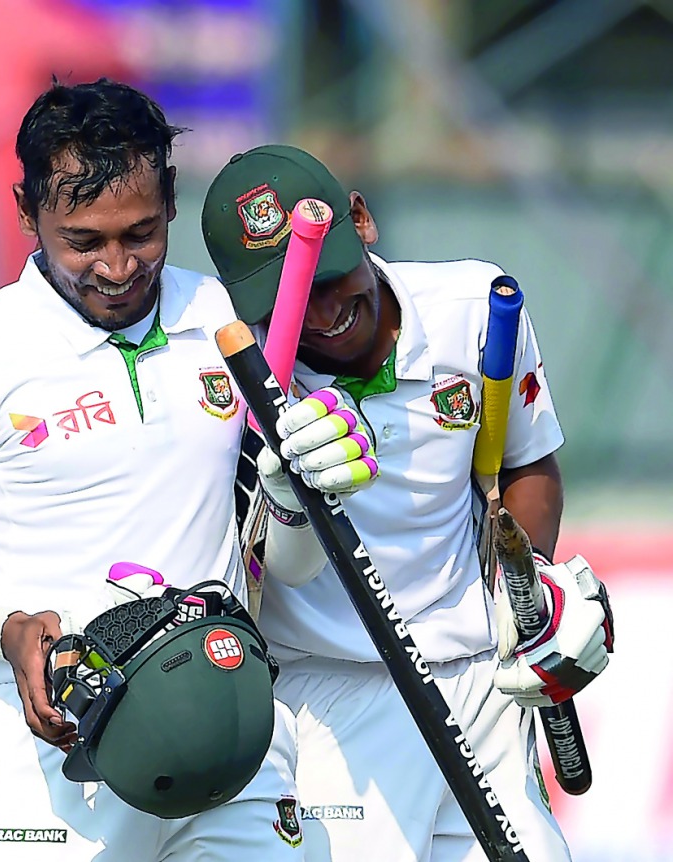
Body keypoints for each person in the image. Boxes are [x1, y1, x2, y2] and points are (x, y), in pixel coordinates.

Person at [0, 80, 375, 861]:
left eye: (141, 232)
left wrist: (298, 496)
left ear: (169, 202)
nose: (119, 266)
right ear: (27, 213)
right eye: (84, 242)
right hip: (55, 754)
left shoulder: (226, 324)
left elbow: (289, 566)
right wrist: (9, 634)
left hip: (235, 735)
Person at [201, 144, 615, 862]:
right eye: (290, 300)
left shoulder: (476, 310)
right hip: (331, 697)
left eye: (332, 278)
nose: (325, 313)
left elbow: (527, 462)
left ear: (361, 220)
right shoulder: (240, 379)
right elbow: (274, 562)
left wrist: (536, 586)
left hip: (479, 682)